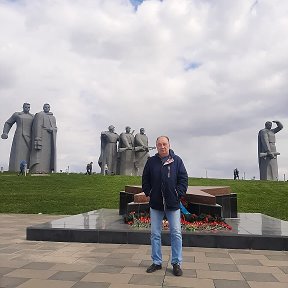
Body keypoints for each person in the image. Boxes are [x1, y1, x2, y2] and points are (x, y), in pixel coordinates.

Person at [142, 136, 188, 277]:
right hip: (156, 204)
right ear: (156, 146)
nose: (162, 146)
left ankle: (176, 263)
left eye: (164, 144)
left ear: (169, 145)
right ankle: (157, 262)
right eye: (159, 144)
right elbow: (145, 179)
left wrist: (177, 193)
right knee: (155, 234)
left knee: (176, 233)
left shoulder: (177, 161)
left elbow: (183, 179)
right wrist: (149, 192)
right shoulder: (151, 162)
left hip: (172, 204)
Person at [1, 103, 34, 172]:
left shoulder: (33, 117)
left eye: (28, 107)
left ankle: (28, 169)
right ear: (23, 107)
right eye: (26, 107)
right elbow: (8, 123)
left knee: (29, 154)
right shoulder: (17, 114)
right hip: (19, 136)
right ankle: (16, 169)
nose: (27, 108)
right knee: (18, 153)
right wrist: (5, 132)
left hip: (29, 137)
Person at [29, 103, 57, 173]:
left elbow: (55, 128)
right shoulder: (39, 115)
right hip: (42, 135)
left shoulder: (53, 117)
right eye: (45, 107)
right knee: (39, 154)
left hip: (50, 138)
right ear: (43, 108)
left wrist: (52, 129)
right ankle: (37, 169)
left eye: (48, 107)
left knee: (48, 154)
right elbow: (37, 126)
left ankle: (48, 169)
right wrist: (38, 137)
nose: (47, 108)